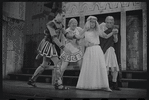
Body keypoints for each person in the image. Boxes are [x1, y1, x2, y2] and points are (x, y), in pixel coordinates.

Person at [27, 8, 71, 90]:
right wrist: (63, 47)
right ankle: (58, 84)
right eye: (62, 16)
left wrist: (77, 35)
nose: (63, 18)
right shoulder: (51, 24)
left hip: (51, 45)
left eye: (64, 16)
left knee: (44, 64)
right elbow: (54, 38)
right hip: (48, 44)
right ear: (57, 15)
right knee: (57, 63)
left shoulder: (61, 24)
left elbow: (66, 34)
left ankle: (32, 80)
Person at [76, 16, 115, 92]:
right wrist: (85, 43)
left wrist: (113, 32)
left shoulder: (97, 30)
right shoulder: (85, 31)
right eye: (91, 22)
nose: (93, 24)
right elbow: (78, 39)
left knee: (100, 67)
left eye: (94, 22)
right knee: (89, 67)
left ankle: (105, 85)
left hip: (97, 49)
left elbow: (105, 36)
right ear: (88, 22)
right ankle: (89, 85)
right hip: (89, 50)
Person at [99, 16, 120, 90]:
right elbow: (105, 37)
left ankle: (114, 84)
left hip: (110, 49)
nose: (109, 24)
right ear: (105, 21)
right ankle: (105, 84)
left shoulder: (114, 29)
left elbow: (116, 41)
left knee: (114, 67)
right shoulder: (101, 27)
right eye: (107, 22)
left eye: (110, 23)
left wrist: (115, 35)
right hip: (103, 49)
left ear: (113, 23)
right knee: (105, 67)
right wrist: (112, 32)